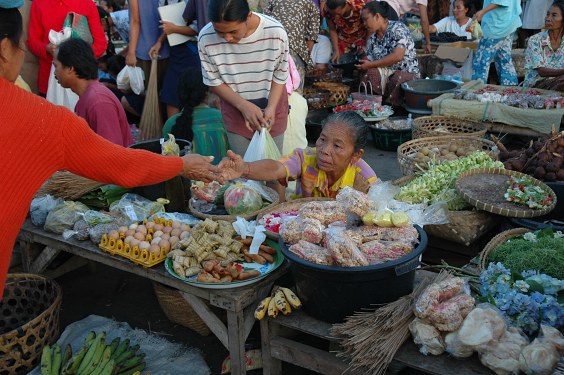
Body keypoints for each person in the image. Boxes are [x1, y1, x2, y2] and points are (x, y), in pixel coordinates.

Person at [0, 3, 221, 296]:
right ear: (5, 49)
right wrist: (181, 165)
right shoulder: (40, 118)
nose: (24, 52)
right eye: (20, 45)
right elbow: (119, 164)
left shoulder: (84, 103)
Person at [198, 0, 289, 156]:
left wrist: (271, 107)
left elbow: (279, 75)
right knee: (244, 172)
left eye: (233, 31)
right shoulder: (205, 39)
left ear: (248, 16)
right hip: (235, 107)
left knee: (273, 172)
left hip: (272, 105)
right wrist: (243, 106)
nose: (227, 38)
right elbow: (214, 82)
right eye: (219, 32)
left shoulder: (275, 32)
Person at [219, 111, 378, 200]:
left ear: (356, 155)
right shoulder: (306, 158)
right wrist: (244, 168)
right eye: (322, 139)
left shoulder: (365, 180)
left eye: (337, 146)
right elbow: (276, 168)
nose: (324, 150)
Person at [54, 38, 134, 147]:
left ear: (70, 69)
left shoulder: (98, 101)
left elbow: (111, 154)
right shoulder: (88, 97)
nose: (54, 73)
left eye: (56, 66)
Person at [26, 0, 107, 96]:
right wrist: (47, 48)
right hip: (49, 78)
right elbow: (33, 40)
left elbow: (100, 43)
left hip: (81, 79)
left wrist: (77, 58)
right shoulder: (39, 3)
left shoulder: (87, 3)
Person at [355, 1, 420, 107]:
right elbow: (370, 59)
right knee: (369, 73)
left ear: (377, 16)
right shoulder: (373, 38)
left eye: (366, 20)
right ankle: (373, 106)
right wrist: (363, 62)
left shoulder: (398, 28)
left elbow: (397, 56)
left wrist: (371, 64)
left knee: (397, 78)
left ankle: (394, 109)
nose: (364, 24)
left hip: (406, 73)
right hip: (386, 74)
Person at [162, 67, 229, 164]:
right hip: (223, 177)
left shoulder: (171, 123)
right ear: (207, 92)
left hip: (187, 178)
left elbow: (167, 161)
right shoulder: (221, 117)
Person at [263, 0, 320, 91]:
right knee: (295, 87)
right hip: (296, 49)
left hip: (272, 46)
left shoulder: (273, 1)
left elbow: (264, 23)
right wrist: (305, 55)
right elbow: (312, 36)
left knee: (272, 87)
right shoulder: (311, 5)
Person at [471, 0, 522, 85]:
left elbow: (501, 1)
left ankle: (476, 90)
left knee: (480, 61)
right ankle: (510, 89)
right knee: (504, 60)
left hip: (496, 25)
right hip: (508, 22)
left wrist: (482, 12)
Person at [524, 1, 564, 90]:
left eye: (554, 15)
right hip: (536, 85)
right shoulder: (535, 40)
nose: (548, 19)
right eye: (547, 14)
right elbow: (542, 71)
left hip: (558, 82)